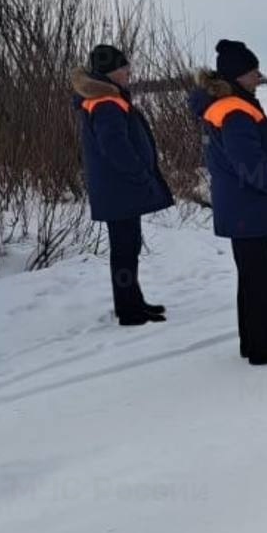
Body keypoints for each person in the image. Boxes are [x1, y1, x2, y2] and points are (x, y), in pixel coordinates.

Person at [190, 39, 267, 365]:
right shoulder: (235, 110)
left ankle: (254, 341)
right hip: (247, 206)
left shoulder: (226, 104)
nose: (260, 76)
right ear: (239, 75)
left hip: (240, 205)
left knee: (252, 276)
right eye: (254, 71)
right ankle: (260, 346)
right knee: (261, 278)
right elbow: (249, 162)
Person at [71, 45, 175, 325]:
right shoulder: (106, 102)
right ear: (110, 72)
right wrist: (140, 173)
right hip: (120, 188)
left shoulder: (106, 98)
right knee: (125, 250)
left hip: (119, 189)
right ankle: (129, 310)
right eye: (123, 68)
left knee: (128, 248)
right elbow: (114, 146)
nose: (129, 72)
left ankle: (132, 302)